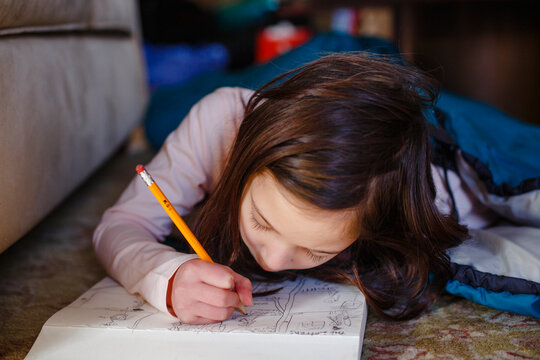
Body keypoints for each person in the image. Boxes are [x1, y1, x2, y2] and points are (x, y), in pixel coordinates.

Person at [93, 53, 498, 325]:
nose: (272, 261)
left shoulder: (437, 195)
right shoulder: (219, 124)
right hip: (300, 70)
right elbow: (121, 223)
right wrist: (165, 274)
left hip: (385, 87)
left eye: (318, 251)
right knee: (161, 111)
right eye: (261, 220)